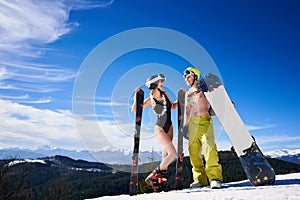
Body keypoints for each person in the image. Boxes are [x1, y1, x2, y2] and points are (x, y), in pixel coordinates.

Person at [131, 74, 177, 192]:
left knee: (166, 157)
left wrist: (183, 98)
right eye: (160, 82)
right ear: (155, 84)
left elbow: (173, 107)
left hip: (170, 127)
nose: (162, 83)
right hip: (160, 129)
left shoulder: (165, 93)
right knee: (173, 154)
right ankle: (153, 176)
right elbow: (135, 110)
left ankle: (160, 183)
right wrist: (136, 98)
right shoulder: (150, 100)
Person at [183, 67, 223, 189]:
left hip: (205, 121)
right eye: (185, 77)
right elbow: (188, 110)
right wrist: (185, 125)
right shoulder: (188, 93)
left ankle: (214, 178)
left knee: (209, 147)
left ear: (195, 76)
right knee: (194, 153)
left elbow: (216, 99)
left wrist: (217, 109)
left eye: (188, 76)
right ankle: (200, 179)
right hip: (192, 124)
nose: (186, 79)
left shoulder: (204, 88)